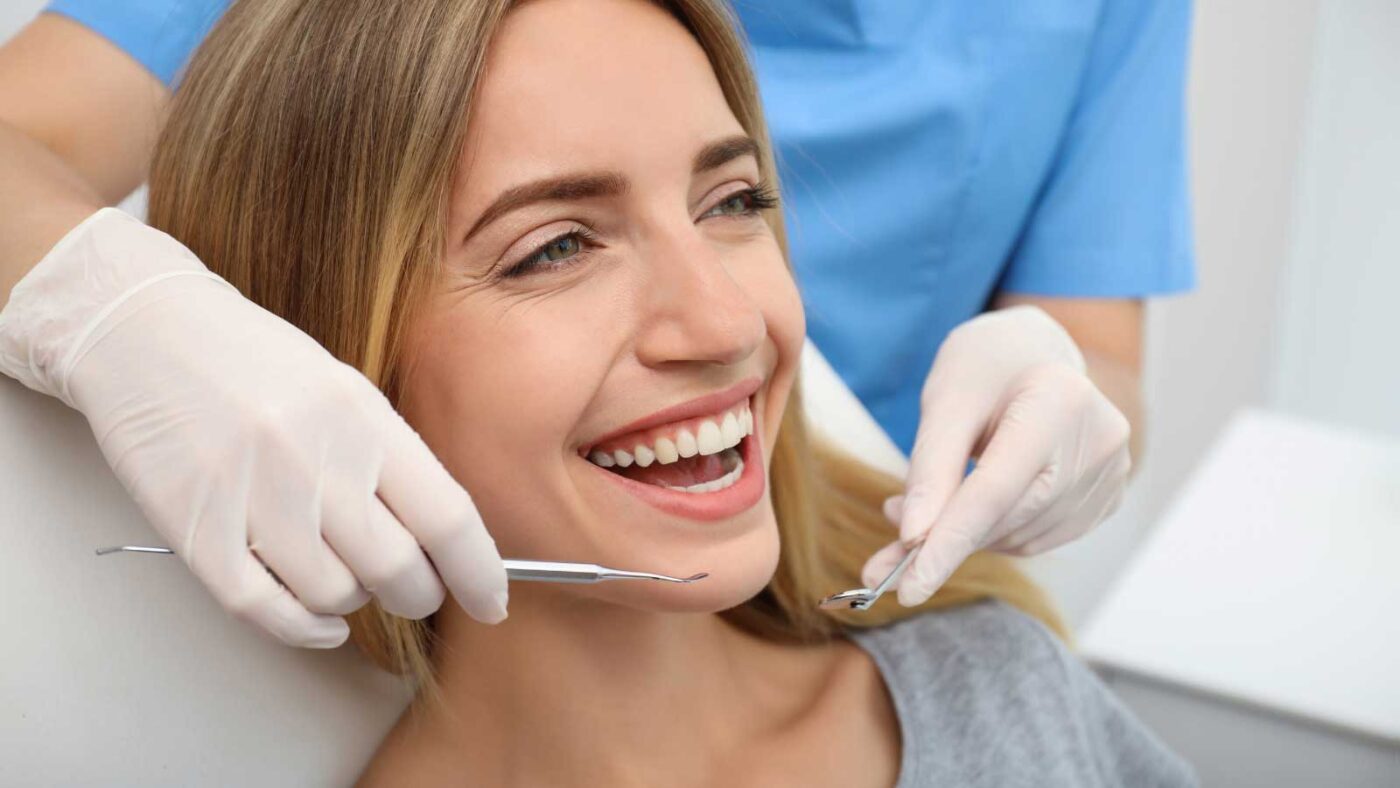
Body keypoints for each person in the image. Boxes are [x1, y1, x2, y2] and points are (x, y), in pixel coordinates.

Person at [136, 1, 1197, 784]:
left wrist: (1057, 366)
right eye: (553, 247)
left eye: (734, 199)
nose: (727, 323)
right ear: (325, 361)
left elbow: (1097, 352)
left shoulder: (999, 687)